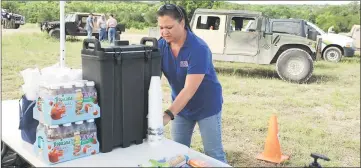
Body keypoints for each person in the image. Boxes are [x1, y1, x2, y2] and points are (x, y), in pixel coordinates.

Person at [157, 4, 227, 164]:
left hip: (206, 106)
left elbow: (189, 90)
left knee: (213, 153)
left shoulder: (198, 48)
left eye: (169, 27)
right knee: (178, 152)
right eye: (161, 27)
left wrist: (167, 115)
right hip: (181, 108)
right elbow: (152, 79)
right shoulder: (160, 45)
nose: (164, 32)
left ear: (182, 23)